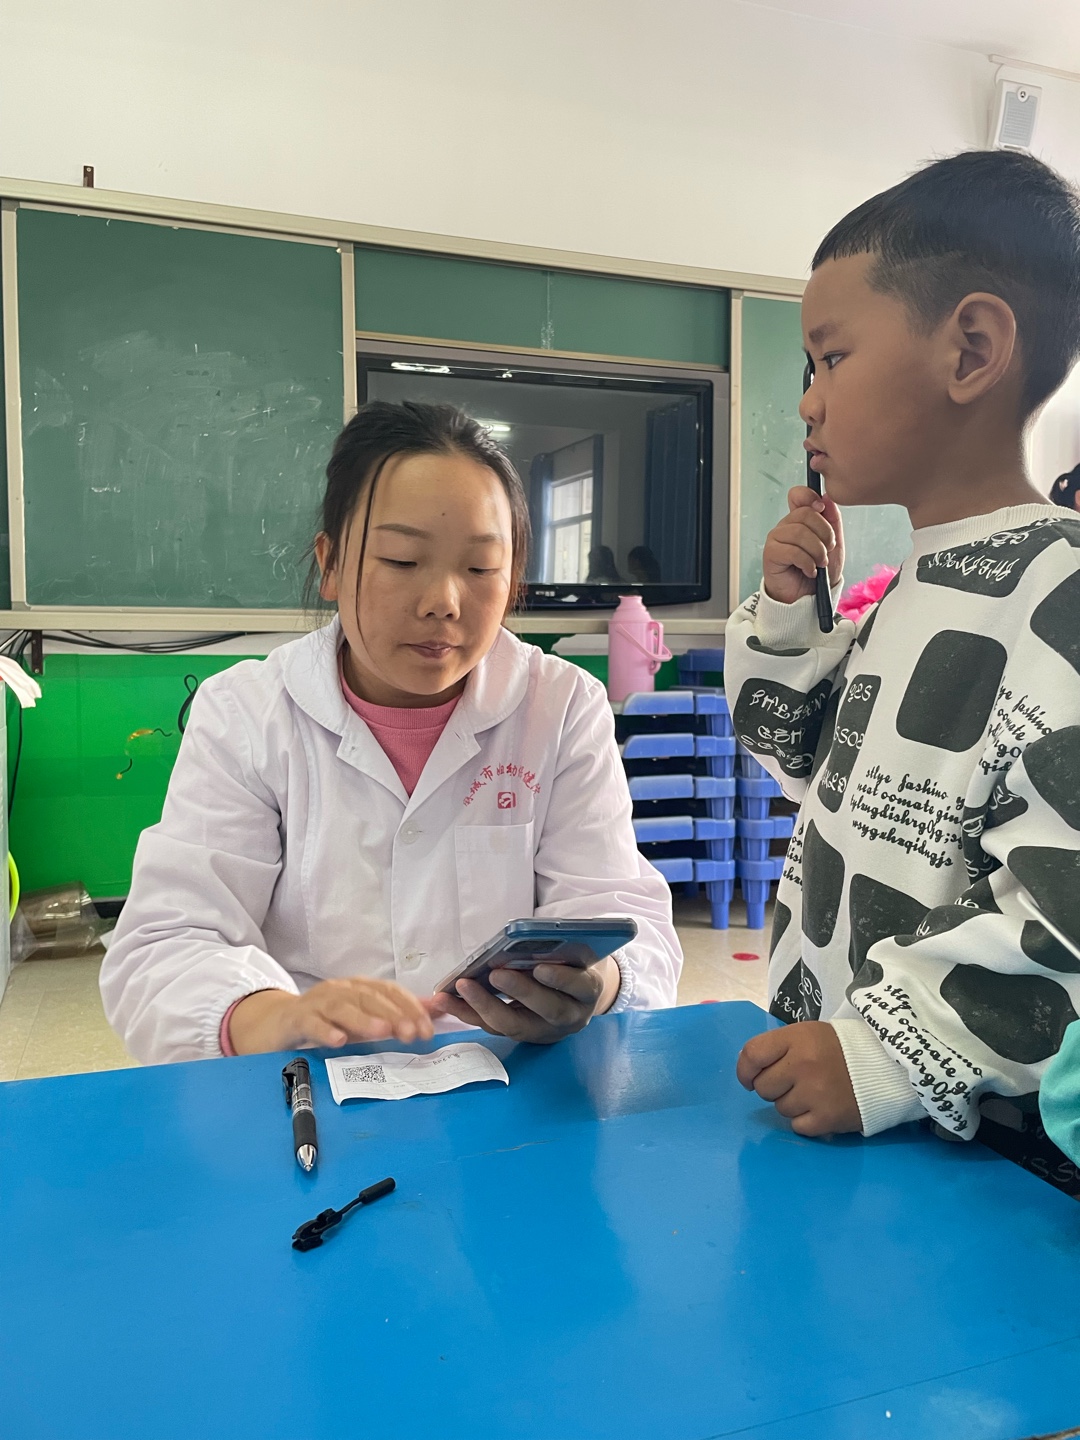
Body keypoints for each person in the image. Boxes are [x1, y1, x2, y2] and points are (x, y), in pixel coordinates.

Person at [101, 401, 681, 1064]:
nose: (443, 602)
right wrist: (276, 1016)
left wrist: (598, 985)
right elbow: (167, 944)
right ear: (330, 564)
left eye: (480, 568)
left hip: (508, 1078)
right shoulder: (247, 713)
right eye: (403, 560)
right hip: (311, 1078)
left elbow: (625, 920)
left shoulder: (561, 704)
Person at [725, 150, 1080, 1189]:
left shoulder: (1058, 591)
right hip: (850, 1102)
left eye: (831, 359)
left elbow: (1066, 904)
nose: (807, 405)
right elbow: (806, 771)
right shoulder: (918, 581)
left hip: (970, 1154)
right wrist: (791, 619)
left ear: (971, 349)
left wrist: (889, 1054)